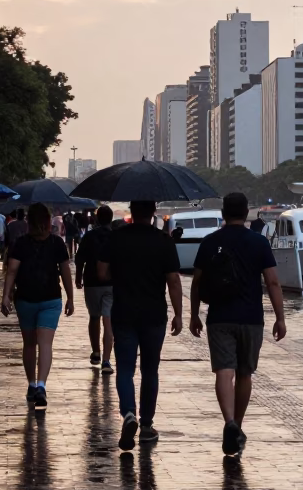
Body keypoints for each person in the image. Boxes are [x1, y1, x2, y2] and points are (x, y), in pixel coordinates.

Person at [190, 191, 286, 458]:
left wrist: (194, 314)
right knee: (245, 373)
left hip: (219, 317)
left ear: (223, 213)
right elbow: (273, 282)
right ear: (246, 214)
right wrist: (280, 317)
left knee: (224, 370)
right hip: (251, 318)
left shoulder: (210, 242)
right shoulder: (258, 242)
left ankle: (229, 422)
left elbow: (197, 283)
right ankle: (238, 426)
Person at [97, 199, 183, 451]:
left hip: (123, 311)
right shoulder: (164, 241)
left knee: (124, 368)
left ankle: (128, 414)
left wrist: (121, 275)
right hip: (154, 314)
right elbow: (174, 281)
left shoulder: (116, 238)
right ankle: (146, 425)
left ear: (132, 212)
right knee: (150, 369)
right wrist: (179, 314)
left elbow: (101, 273)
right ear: (153, 212)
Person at [2, 202, 73, 409]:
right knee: (45, 344)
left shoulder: (21, 243)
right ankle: (42, 385)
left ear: (29, 222)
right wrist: (70, 297)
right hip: (51, 299)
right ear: (48, 221)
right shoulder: (57, 243)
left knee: (29, 344)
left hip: (25, 299)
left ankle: (32, 384)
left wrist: (6, 295)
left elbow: (12, 271)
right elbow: (65, 272)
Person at [75, 205, 115, 373]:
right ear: (111, 219)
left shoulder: (89, 237)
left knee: (94, 317)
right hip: (112, 283)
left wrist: (78, 277)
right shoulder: (116, 237)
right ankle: (106, 360)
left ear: (97, 219)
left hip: (91, 281)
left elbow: (80, 259)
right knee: (108, 320)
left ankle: (96, 352)